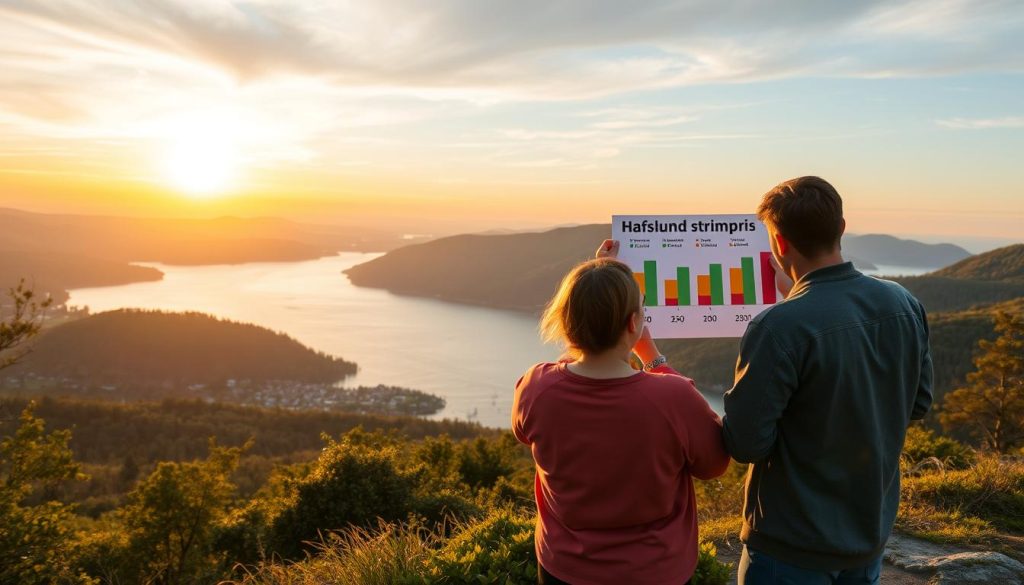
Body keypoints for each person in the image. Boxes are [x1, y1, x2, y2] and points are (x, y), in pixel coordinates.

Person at [722, 176, 933, 585]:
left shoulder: (777, 327)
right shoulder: (904, 304)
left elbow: (745, 444)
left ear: (779, 244)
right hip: (867, 534)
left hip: (790, 545)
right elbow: (918, 403)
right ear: (841, 228)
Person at [513, 243, 730, 585]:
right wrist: (652, 356)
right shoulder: (673, 397)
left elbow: (523, 430)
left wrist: (599, 283)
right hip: (656, 571)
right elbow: (713, 465)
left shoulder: (536, 387)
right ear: (633, 323)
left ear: (567, 320)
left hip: (565, 569)